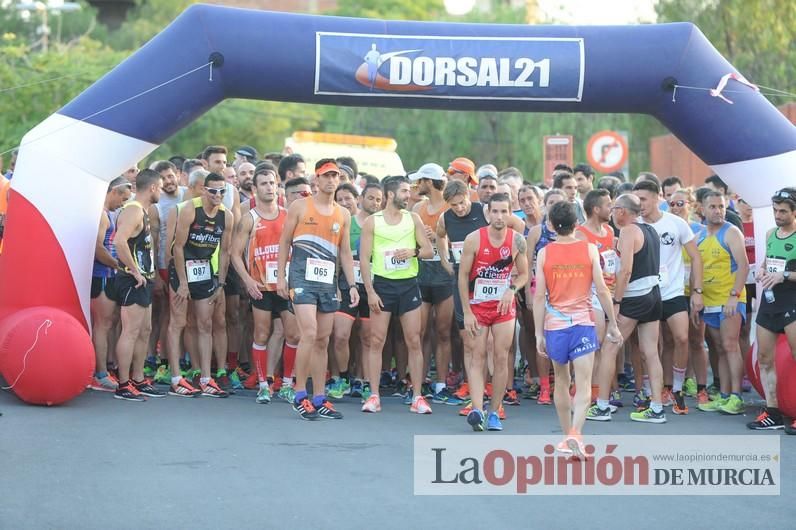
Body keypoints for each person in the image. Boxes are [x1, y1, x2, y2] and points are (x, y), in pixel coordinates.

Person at [536, 201, 622, 455]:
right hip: (584, 324)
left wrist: (539, 333)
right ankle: (575, 433)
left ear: (551, 225)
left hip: (555, 326)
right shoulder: (589, 250)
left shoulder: (545, 253)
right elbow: (602, 289)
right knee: (583, 384)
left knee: (561, 381)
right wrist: (613, 324)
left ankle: (567, 436)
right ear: (577, 224)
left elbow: (539, 296)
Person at [277, 159, 358, 420]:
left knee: (323, 339)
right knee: (309, 333)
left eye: (335, 176)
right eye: (326, 176)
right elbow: (284, 242)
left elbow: (345, 252)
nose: (331, 180)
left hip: (327, 282)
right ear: (317, 180)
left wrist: (352, 285)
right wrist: (281, 278)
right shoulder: (300, 207)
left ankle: (320, 397)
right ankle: (299, 393)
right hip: (301, 278)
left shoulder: (343, 214)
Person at [587, 194, 666, 423]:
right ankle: (657, 407)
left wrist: (617, 301)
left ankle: (602, 406)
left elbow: (626, 271)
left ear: (622, 211)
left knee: (609, 348)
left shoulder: (630, 231)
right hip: (653, 293)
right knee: (650, 352)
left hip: (634, 297)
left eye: (614, 209)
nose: (611, 213)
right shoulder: (650, 229)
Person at [358, 176, 434, 414]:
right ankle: (373, 396)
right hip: (382, 286)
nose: (408, 195)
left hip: (408, 285)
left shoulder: (413, 219)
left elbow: (429, 251)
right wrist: (369, 292)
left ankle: (418, 396)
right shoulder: (373, 222)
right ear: (390, 195)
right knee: (376, 341)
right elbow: (363, 259)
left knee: (414, 341)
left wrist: (412, 251)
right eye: (403, 191)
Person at [459, 193, 529, 431]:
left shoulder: (517, 240)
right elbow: (462, 276)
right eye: (495, 212)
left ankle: (494, 411)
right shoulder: (473, 239)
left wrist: (511, 289)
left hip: (503, 308)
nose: (499, 217)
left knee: (501, 358)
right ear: (488, 213)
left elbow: (524, 274)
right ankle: (477, 409)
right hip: (478, 306)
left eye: (504, 212)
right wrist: (467, 312)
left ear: (510, 213)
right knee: (477, 356)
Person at [634, 179, 703, 415]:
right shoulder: (634, 225)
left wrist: (696, 291)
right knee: (650, 347)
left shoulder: (676, 223)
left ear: (657, 198)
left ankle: (677, 389)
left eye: (643, 199)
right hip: (645, 293)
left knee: (681, 338)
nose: (639, 204)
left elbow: (695, 257)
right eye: (636, 200)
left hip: (672, 292)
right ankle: (652, 389)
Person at [231, 166, 299, 404]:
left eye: (272, 183)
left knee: (293, 334)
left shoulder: (288, 215)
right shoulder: (249, 219)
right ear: (254, 188)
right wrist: (248, 280)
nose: (269, 188)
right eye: (264, 184)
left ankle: (288, 384)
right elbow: (234, 254)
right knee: (261, 333)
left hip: (285, 284)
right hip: (261, 287)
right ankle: (263, 384)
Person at [167, 171, 234, 397]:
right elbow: (177, 247)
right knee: (178, 323)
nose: (218, 195)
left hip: (205, 270)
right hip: (182, 269)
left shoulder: (227, 216)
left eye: (222, 191)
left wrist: (221, 283)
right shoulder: (190, 209)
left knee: (206, 324)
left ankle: (206, 378)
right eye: (213, 191)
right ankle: (176, 378)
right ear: (204, 190)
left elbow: (225, 252)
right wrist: (183, 282)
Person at [694, 190, 749, 415]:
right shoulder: (698, 235)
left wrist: (734, 296)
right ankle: (724, 395)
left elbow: (743, 266)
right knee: (719, 348)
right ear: (702, 209)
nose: (718, 211)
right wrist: (695, 296)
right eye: (713, 207)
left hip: (731, 299)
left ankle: (736, 397)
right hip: (709, 300)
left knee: (730, 345)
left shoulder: (732, 232)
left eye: (721, 206)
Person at [436, 180, 490, 411]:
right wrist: (444, 259)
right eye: (454, 205)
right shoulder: (445, 218)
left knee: (486, 342)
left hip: (487, 280)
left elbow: (512, 227)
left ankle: (487, 389)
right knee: (468, 340)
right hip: (461, 281)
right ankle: (472, 388)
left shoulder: (483, 211)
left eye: (461, 202)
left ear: (469, 195)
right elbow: (440, 236)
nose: (459, 208)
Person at [112, 169, 164, 401]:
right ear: (152, 187)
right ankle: (123, 384)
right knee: (131, 331)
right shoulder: (133, 211)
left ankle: (138, 378)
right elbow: (119, 241)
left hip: (144, 278)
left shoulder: (141, 211)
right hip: (132, 279)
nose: (161, 191)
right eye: (160, 187)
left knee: (145, 331)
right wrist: (134, 270)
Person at [748, 187, 796, 432]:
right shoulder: (770, 233)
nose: (777, 215)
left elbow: (785, 272)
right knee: (765, 359)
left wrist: (784, 275)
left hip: (792, 302)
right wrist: (762, 271)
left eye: (783, 211)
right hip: (770, 302)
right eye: (775, 210)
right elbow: (767, 262)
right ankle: (773, 411)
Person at [410, 163, 459, 404]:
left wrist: (440, 236)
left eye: (420, 181)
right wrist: (422, 240)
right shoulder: (418, 208)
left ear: (429, 182)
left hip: (445, 275)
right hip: (422, 274)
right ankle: (418, 384)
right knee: (419, 332)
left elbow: (461, 238)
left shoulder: (451, 207)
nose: (417, 185)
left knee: (442, 331)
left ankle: (441, 384)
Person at [331, 182, 382, 400]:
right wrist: (335, 285)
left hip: (372, 287)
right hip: (347, 285)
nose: (375, 203)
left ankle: (361, 381)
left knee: (368, 338)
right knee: (341, 336)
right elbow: (337, 256)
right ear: (361, 199)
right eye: (371, 198)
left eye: (379, 200)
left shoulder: (382, 225)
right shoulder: (347, 222)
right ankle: (343, 378)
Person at [575, 189, 620, 405]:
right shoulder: (580, 234)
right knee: (593, 345)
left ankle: (598, 391)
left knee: (604, 347)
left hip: (609, 292)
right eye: (608, 205)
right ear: (596, 209)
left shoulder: (610, 231)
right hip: (590, 293)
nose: (611, 209)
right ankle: (585, 392)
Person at [89, 177, 131, 392]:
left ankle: (102, 370)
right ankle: (99, 374)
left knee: (108, 324)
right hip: (102, 275)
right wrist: (118, 265)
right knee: (102, 325)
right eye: (122, 198)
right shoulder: (102, 215)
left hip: (108, 273)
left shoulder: (107, 213)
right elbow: (97, 248)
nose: (122, 203)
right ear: (113, 191)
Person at [525, 189, 566, 405]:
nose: (555, 206)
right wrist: (527, 293)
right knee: (541, 339)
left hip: (564, 293)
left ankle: (563, 385)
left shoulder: (570, 231)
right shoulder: (536, 232)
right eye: (551, 203)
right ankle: (543, 386)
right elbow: (527, 263)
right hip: (540, 290)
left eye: (559, 203)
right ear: (545, 205)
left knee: (562, 340)